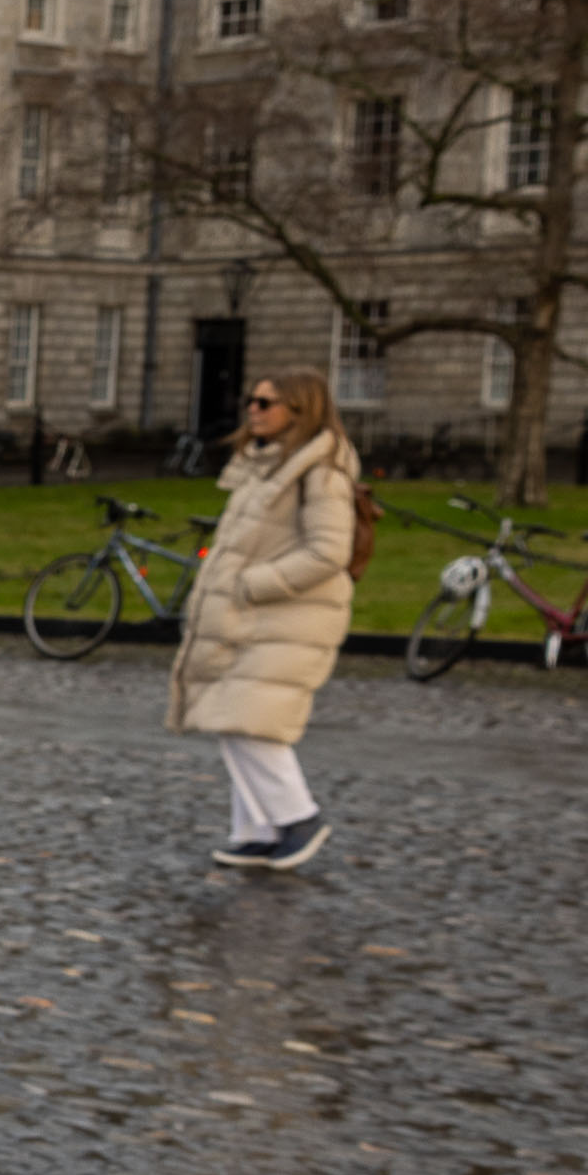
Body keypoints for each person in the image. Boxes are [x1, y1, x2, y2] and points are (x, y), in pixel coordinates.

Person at [172, 365, 359, 871]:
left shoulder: (320, 472)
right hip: (253, 615)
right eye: (251, 401)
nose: (253, 410)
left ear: (300, 410)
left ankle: (298, 816)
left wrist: (253, 585)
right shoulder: (268, 466)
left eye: (265, 403)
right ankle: (257, 829)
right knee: (231, 716)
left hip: (286, 616)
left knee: (251, 721)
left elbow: (328, 553)